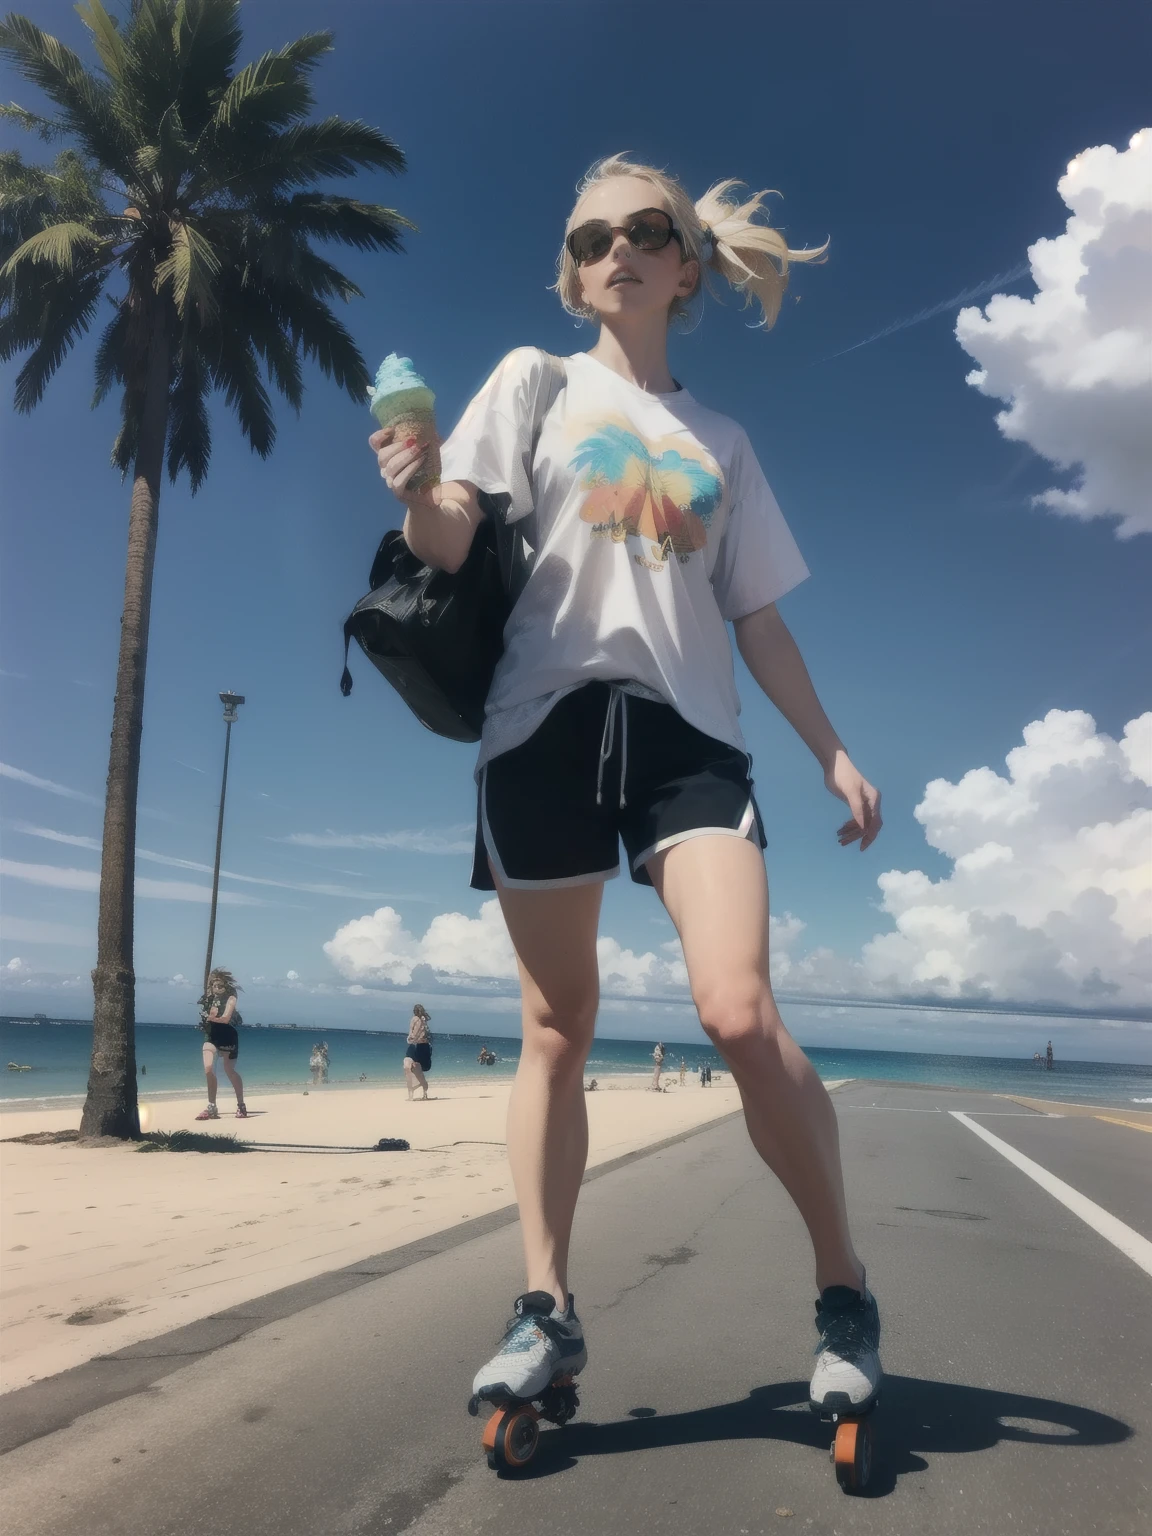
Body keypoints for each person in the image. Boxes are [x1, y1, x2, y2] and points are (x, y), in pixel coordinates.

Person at [370, 154, 883, 1427]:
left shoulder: (723, 441)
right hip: (539, 726)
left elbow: (756, 617)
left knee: (738, 1013)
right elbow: (450, 537)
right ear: (574, 271)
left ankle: (844, 1288)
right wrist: (414, 485)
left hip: (687, 737)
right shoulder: (531, 383)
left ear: (686, 264)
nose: (618, 249)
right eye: (592, 237)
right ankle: (544, 1309)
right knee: (556, 1028)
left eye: (646, 230)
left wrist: (830, 748)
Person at [196, 968, 247, 1120]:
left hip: (227, 1036)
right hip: (211, 1035)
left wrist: (212, 1018)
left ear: (226, 987)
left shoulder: (231, 998)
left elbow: (225, 1018)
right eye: (214, 986)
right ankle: (211, 1106)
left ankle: (241, 1105)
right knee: (208, 1068)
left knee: (229, 1070)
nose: (217, 989)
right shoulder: (208, 998)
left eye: (220, 986)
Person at [404, 1004, 433, 1100]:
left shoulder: (416, 1019)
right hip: (422, 1047)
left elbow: (413, 1034)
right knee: (417, 1071)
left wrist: (410, 1039)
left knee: (408, 1068)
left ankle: (412, 1094)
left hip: (416, 1046)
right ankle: (424, 1092)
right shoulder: (421, 1020)